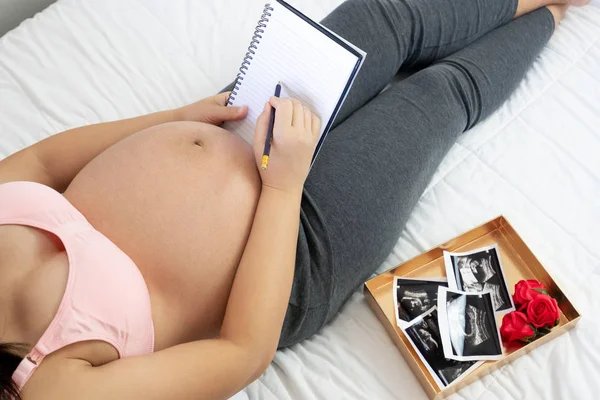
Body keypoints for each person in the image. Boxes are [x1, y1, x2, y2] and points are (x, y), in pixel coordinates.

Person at [0, 0, 588, 398]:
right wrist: (283, 185)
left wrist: (176, 118)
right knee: (438, 96)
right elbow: (240, 353)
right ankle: (555, 13)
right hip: (294, 252)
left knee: (384, 15)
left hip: (241, 121)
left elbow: (44, 162)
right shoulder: (53, 388)